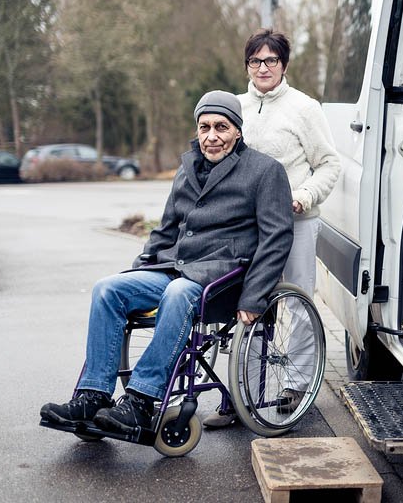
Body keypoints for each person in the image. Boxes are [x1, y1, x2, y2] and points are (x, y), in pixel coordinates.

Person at [40, 91, 294, 434]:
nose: (212, 136)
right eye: (204, 127)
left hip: (225, 279)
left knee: (178, 293)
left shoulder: (265, 171)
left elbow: (276, 238)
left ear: (237, 131)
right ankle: (93, 395)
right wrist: (141, 266)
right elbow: (167, 228)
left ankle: (141, 401)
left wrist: (254, 297)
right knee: (108, 289)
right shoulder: (187, 167)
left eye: (221, 127)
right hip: (176, 268)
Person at [202, 29, 340, 427]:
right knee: (247, 305)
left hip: (294, 221)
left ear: (284, 64)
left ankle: (297, 385)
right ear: (246, 65)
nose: (263, 68)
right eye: (255, 61)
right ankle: (240, 397)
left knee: (295, 302)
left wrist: (304, 196)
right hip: (247, 225)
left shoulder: (304, 108)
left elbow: (329, 164)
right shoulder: (237, 107)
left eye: (271, 61)